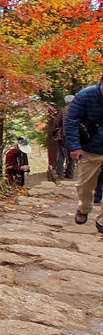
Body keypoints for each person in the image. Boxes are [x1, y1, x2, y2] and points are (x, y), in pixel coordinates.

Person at [64, 75, 103, 232]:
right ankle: (84, 208)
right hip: (90, 147)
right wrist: (74, 147)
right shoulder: (85, 95)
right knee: (85, 185)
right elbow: (71, 120)